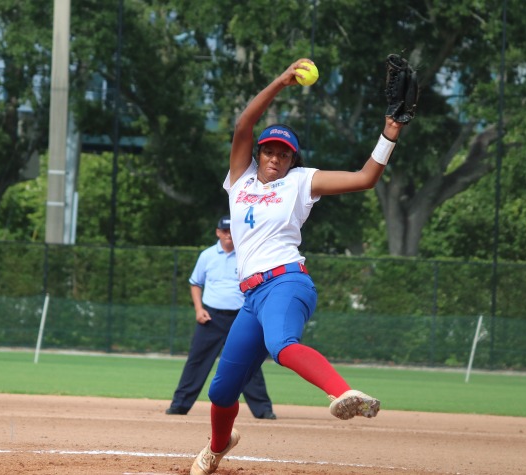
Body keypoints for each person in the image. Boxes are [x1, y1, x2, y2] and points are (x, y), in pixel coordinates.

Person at [190, 57, 412, 475]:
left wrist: (390, 134)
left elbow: (366, 178)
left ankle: (343, 394)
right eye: (270, 150)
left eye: (284, 153)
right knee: (221, 392)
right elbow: (243, 123)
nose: (276, 157)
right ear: (258, 153)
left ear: (293, 159)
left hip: (287, 282)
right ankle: (218, 447)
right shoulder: (241, 180)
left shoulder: (301, 181)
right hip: (251, 297)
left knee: (282, 346)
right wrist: (281, 81)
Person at [166, 215, 276, 420]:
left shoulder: (246, 255)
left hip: (240, 317)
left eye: (232, 231)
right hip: (211, 317)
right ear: (218, 232)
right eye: (225, 231)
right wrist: (199, 309)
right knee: (197, 361)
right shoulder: (207, 255)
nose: (228, 235)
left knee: (249, 362)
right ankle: (179, 405)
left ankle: (263, 410)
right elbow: (195, 283)